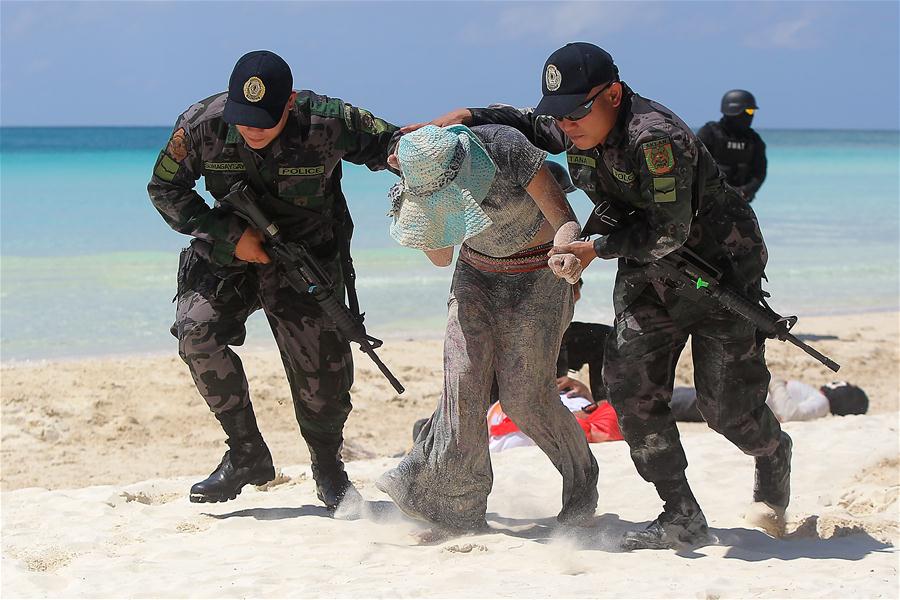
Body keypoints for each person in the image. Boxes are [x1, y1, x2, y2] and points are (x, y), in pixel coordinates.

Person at [414, 42, 792, 549]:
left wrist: (591, 247)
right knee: (631, 394)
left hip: (717, 276)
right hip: (647, 275)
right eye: (560, 114)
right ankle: (680, 511)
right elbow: (528, 123)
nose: (565, 125)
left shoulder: (657, 139)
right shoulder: (572, 120)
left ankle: (773, 453)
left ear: (612, 94)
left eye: (576, 112)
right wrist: (470, 114)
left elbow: (669, 232)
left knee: (726, 410)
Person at [147, 50, 399, 510]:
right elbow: (164, 190)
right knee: (195, 331)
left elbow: (393, 146)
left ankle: (327, 467)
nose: (252, 128)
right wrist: (227, 237)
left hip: (306, 259)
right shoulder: (202, 124)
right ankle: (246, 454)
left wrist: (433, 166)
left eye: (265, 118)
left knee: (324, 377)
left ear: (290, 103)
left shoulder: (327, 120)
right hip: (231, 250)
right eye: (244, 118)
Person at [376, 123, 599, 533]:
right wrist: (417, 201)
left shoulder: (506, 149)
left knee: (524, 400)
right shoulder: (421, 181)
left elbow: (567, 222)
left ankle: (582, 482)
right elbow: (443, 257)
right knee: (462, 381)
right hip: (475, 274)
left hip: (539, 274)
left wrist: (568, 257)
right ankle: (461, 505)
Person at [670, 380, 869, 423]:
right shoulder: (819, 401)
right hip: (742, 394)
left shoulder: (822, 403)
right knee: (680, 396)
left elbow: (790, 415)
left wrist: (775, 383)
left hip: (742, 400)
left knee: (674, 401)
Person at [697, 90, 767, 203]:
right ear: (734, 111)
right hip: (709, 200)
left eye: (752, 111)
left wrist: (744, 191)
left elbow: (760, 173)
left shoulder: (754, 140)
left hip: (740, 201)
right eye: (749, 111)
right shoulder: (710, 133)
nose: (751, 115)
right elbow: (697, 166)